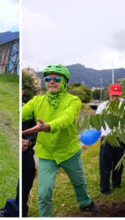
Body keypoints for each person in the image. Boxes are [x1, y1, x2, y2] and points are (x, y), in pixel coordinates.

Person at [21, 64, 99, 216]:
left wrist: (48, 126)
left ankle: (85, 202)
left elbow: (67, 119)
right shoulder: (37, 101)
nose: (52, 81)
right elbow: (20, 114)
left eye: (56, 79)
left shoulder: (73, 101)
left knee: (79, 183)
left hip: (69, 152)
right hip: (46, 155)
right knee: (43, 194)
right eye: (48, 78)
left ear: (64, 82)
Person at [97, 83, 125, 195]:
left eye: (117, 96)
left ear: (120, 94)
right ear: (109, 94)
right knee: (105, 164)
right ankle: (105, 188)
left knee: (119, 163)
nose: (115, 98)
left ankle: (116, 183)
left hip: (120, 137)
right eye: (113, 96)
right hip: (107, 138)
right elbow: (98, 123)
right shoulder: (102, 106)